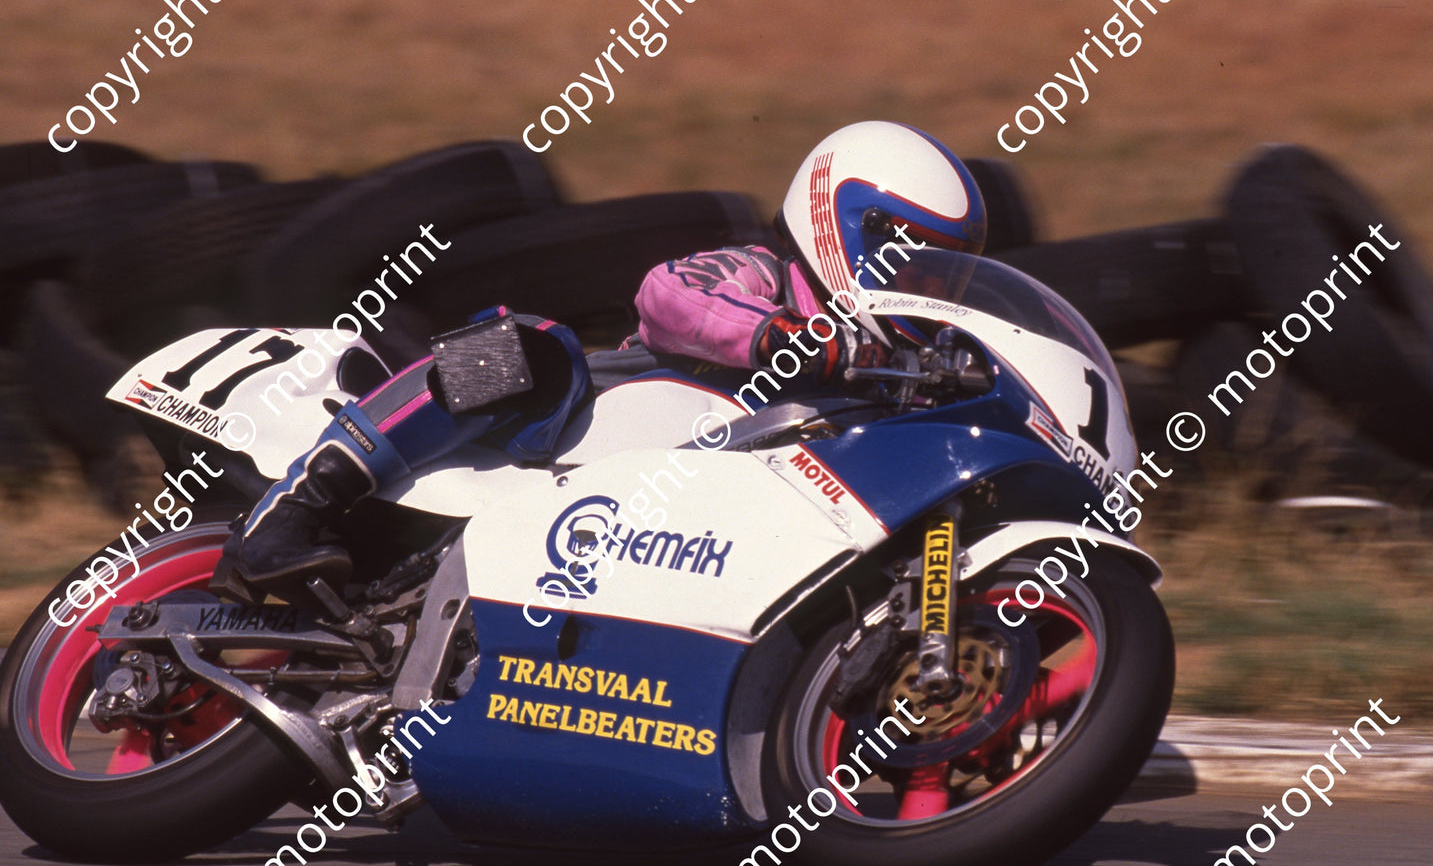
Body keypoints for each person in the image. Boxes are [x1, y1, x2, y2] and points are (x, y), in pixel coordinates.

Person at [216, 121, 987, 605]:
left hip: (681, 551)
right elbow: (666, 296)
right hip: (572, 437)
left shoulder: (889, 378)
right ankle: (297, 506)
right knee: (528, 346)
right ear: (843, 226)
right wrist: (788, 339)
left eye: (943, 275)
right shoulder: (752, 273)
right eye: (913, 261)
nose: (924, 288)